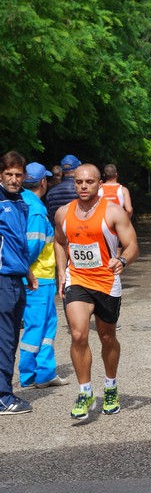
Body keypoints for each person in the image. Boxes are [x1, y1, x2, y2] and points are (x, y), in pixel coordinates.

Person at [54, 164, 139, 421]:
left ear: (99, 183)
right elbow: (59, 241)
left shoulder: (112, 212)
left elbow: (132, 244)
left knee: (107, 337)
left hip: (106, 281)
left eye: (89, 182)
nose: (83, 186)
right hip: (77, 279)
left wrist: (122, 261)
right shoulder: (63, 213)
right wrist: (61, 271)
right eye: (79, 182)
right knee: (78, 334)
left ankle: (110, 386)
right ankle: (85, 392)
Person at [19, 162, 69, 389]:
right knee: (42, 325)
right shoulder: (37, 209)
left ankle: (37, 373)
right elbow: (31, 247)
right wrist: (25, 272)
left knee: (39, 324)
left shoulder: (20, 202)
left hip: (34, 278)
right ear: (42, 182)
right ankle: (37, 375)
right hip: (39, 278)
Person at [0, 150, 38, 415]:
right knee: (4, 340)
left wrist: (29, 272)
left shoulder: (21, 202)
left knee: (11, 339)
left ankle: (5, 392)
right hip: (2, 280)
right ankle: (3, 397)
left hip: (17, 278)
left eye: (18, 175)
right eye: (9, 174)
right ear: (0, 174)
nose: (14, 179)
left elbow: (18, 243)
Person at [46, 154, 81, 226]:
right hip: (78, 232)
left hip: (57, 233)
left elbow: (49, 216)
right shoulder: (82, 190)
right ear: (78, 168)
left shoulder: (51, 192)